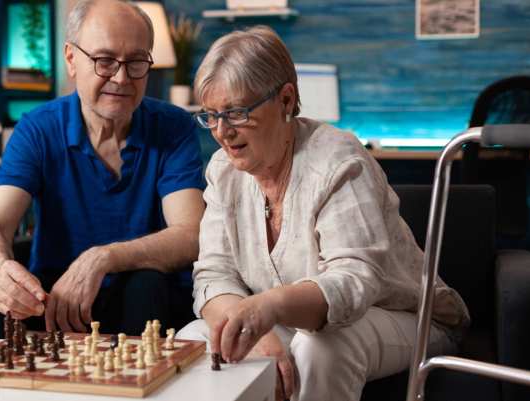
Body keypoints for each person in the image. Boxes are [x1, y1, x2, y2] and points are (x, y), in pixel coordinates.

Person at [176, 26, 469, 401]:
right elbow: (214, 274)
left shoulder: (338, 160)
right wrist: (257, 329)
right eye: (211, 116)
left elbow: (354, 281)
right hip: (289, 322)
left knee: (322, 348)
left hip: (404, 316)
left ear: (285, 100)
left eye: (235, 113)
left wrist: (266, 309)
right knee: (194, 339)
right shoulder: (223, 170)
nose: (221, 132)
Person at [0, 0, 205, 339]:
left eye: (136, 62)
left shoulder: (174, 127)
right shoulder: (38, 129)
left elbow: (191, 234)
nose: (121, 79)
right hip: (54, 299)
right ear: (71, 59)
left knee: (146, 284)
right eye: (105, 61)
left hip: (141, 297)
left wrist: (103, 258)